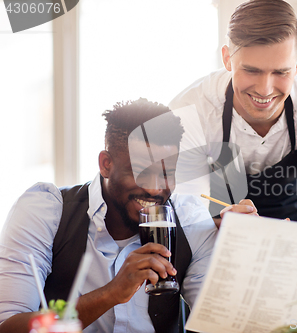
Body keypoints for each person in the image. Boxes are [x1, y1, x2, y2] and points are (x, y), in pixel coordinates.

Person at [0, 98, 217, 333]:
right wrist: (110, 294)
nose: (155, 189)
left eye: (168, 174)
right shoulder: (45, 211)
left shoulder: (190, 219)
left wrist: (242, 249)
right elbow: (9, 326)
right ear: (106, 164)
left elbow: (218, 322)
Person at [169, 0, 297, 227]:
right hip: (216, 239)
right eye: (251, 70)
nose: (264, 90)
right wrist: (226, 227)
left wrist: (295, 244)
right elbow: (186, 215)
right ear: (227, 59)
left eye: (281, 72)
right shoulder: (188, 112)